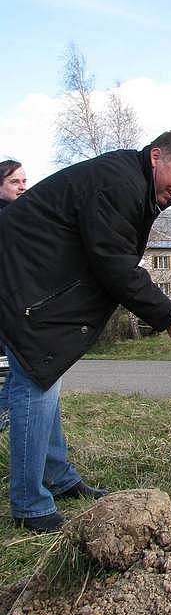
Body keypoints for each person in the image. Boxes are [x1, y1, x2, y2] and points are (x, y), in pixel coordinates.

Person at [0, 131, 171, 532]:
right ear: (156, 156)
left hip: (31, 281)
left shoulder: (133, 184)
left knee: (44, 375)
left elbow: (111, 258)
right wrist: (169, 315)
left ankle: (58, 478)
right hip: (17, 282)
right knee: (34, 381)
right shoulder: (120, 183)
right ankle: (29, 505)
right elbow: (113, 263)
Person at [0, 159, 28, 432]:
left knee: (20, 376)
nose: (22, 187)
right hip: (8, 312)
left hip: (18, 310)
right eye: (14, 182)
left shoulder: (21, 217)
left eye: (24, 181)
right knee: (24, 377)